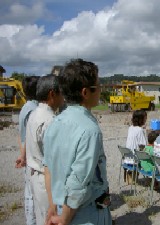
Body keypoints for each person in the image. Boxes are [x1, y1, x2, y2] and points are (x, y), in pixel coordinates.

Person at [43, 58, 112, 225]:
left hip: (61, 207)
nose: (100, 90)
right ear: (85, 93)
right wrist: (65, 220)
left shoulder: (55, 123)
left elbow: (48, 168)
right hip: (85, 214)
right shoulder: (90, 130)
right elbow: (78, 183)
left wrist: (53, 206)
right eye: (98, 86)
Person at [25, 75, 64, 225]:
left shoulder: (34, 113)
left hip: (34, 175)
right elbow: (54, 160)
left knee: (41, 217)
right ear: (52, 94)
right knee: (50, 219)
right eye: (61, 93)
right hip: (46, 180)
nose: (64, 98)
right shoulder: (50, 121)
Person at [15, 76, 39, 225]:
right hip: (32, 157)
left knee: (29, 192)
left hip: (27, 155)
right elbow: (29, 137)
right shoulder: (33, 109)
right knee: (33, 195)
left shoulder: (25, 107)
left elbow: (20, 135)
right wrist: (23, 156)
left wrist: (21, 154)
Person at [124, 110, 147, 183]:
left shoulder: (130, 128)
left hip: (127, 157)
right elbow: (143, 146)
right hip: (134, 159)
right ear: (141, 119)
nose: (146, 119)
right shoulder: (140, 130)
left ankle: (130, 176)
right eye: (145, 118)